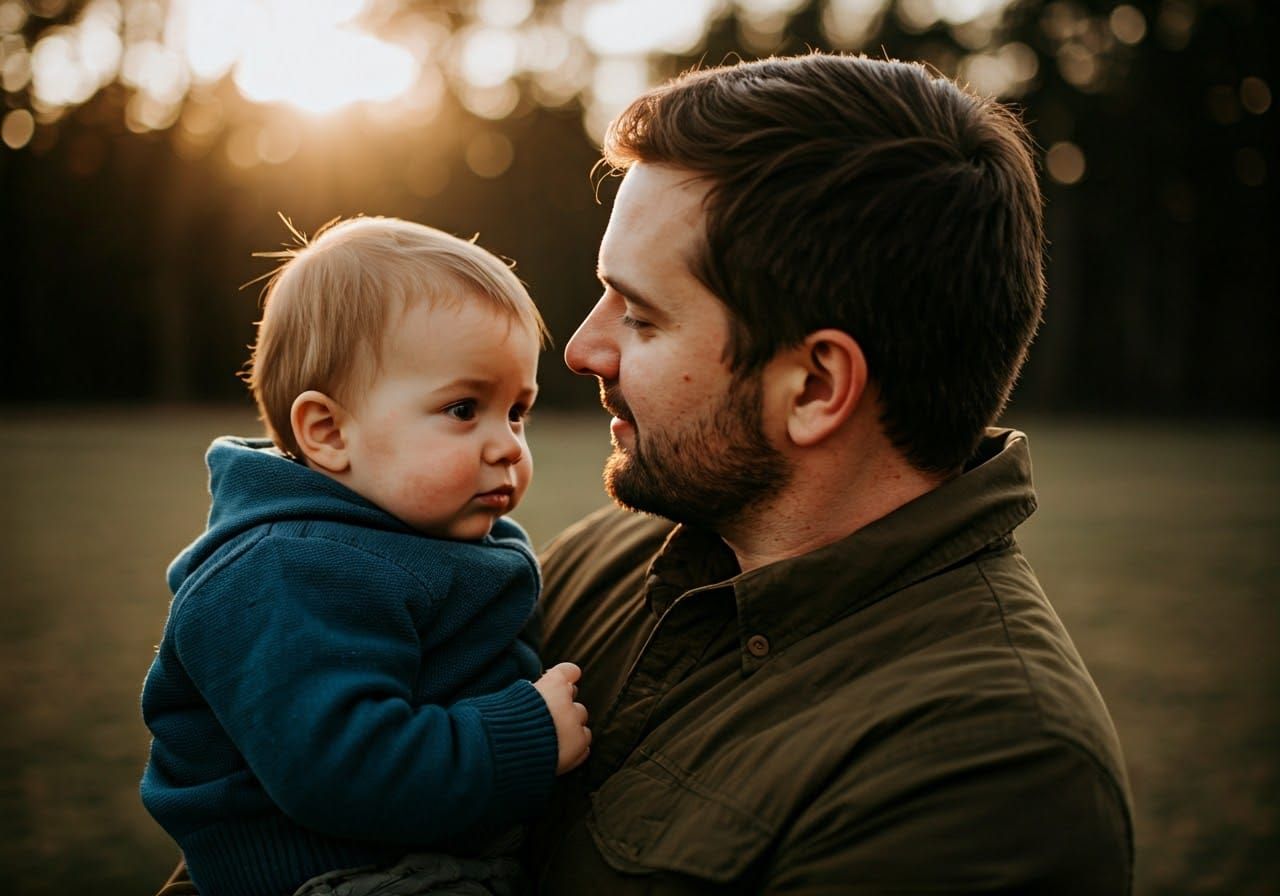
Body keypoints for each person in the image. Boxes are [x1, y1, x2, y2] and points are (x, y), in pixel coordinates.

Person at [524, 54, 1134, 893]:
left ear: (815, 387)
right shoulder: (611, 557)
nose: (583, 349)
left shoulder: (989, 775)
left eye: (640, 315)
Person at [140, 216, 591, 896]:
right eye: (465, 408)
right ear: (328, 432)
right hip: (331, 875)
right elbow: (341, 768)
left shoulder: (436, 532)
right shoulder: (281, 572)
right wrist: (521, 735)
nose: (507, 444)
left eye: (517, 411)